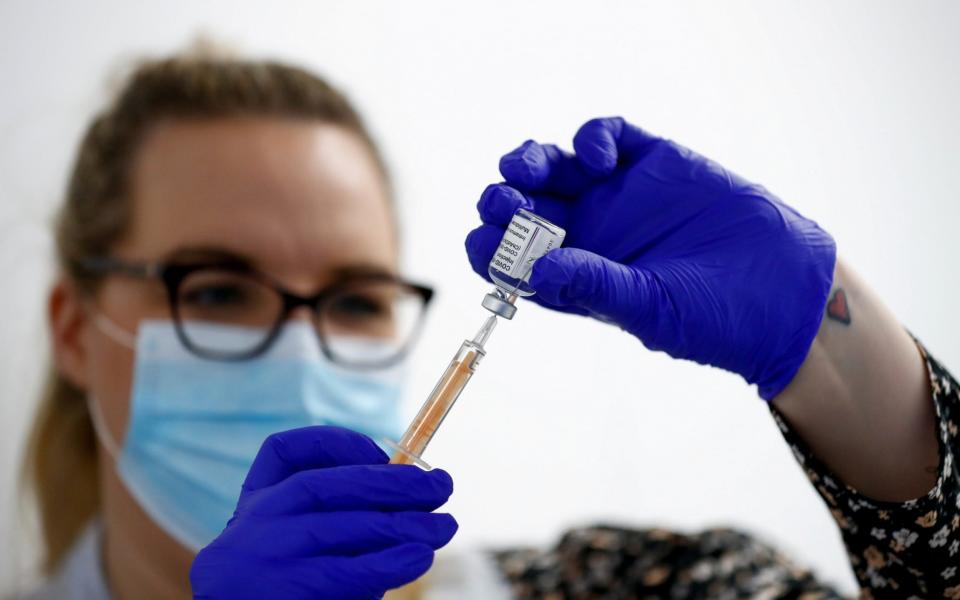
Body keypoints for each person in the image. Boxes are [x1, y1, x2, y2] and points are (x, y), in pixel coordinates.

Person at [17, 43, 958, 600]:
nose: (302, 346)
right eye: (217, 290)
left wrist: (836, 345)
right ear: (71, 328)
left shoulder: (624, 588)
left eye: (353, 299)